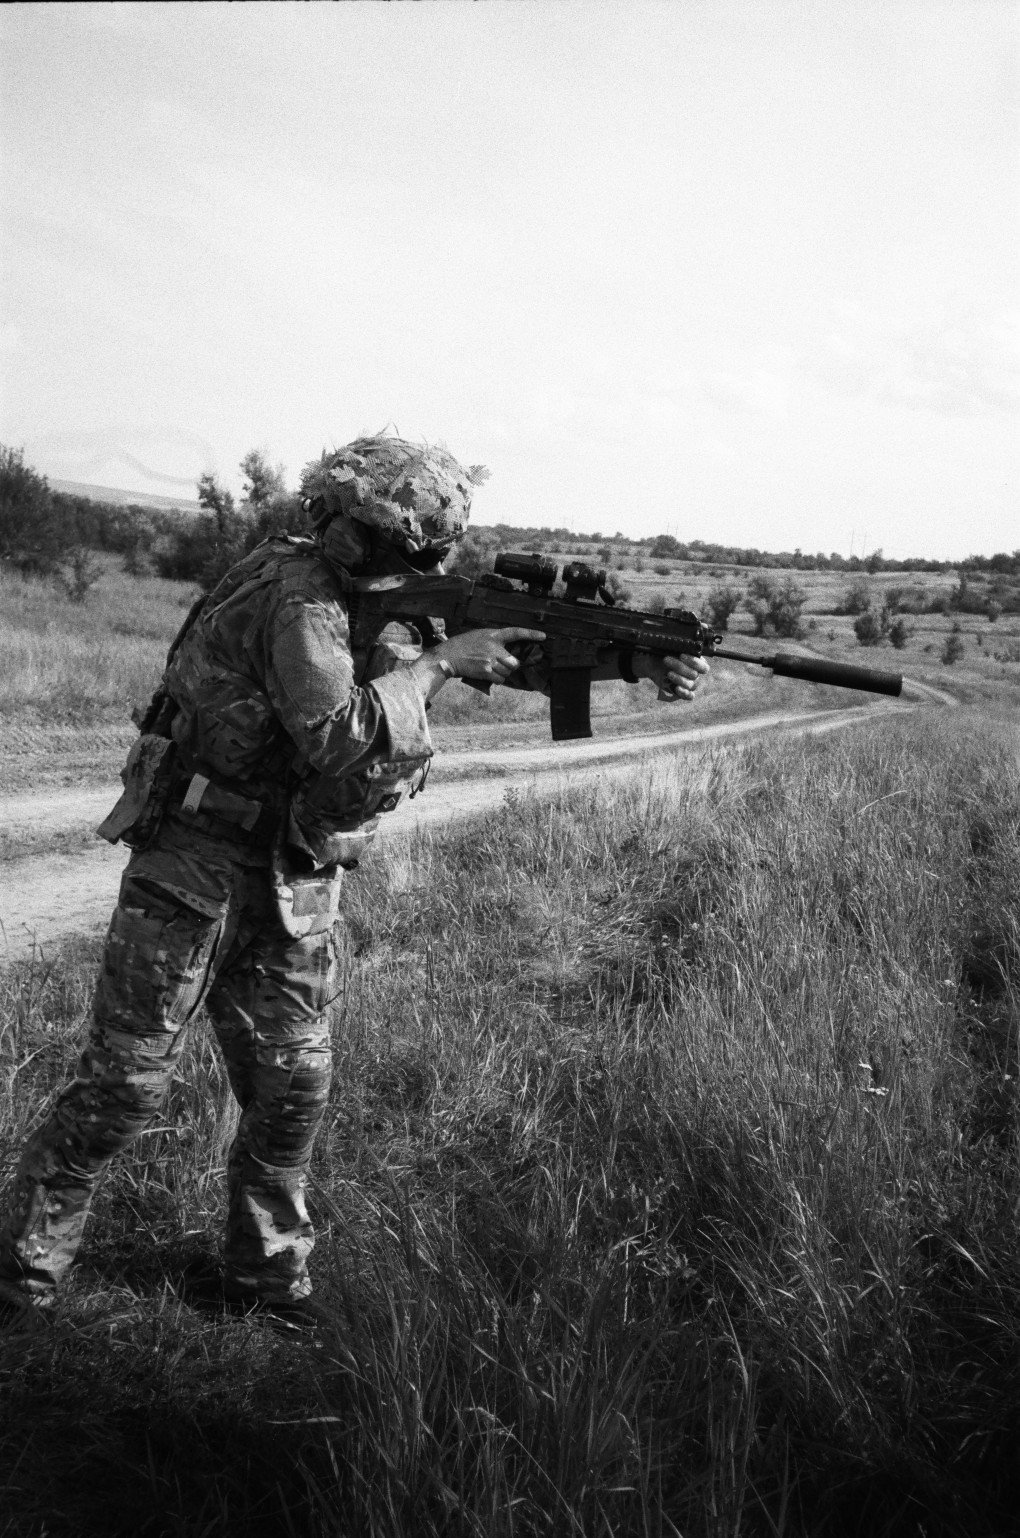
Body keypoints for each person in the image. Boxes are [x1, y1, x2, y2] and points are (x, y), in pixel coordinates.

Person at [0, 435, 708, 1334]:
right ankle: (22, 1275)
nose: (422, 565)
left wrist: (634, 661)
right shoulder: (299, 595)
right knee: (126, 1085)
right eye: (405, 546)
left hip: (295, 867)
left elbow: (514, 654)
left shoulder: (386, 595)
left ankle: (263, 1279)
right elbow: (337, 732)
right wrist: (439, 667)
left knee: (292, 1087)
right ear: (351, 529)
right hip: (195, 857)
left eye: (431, 550)